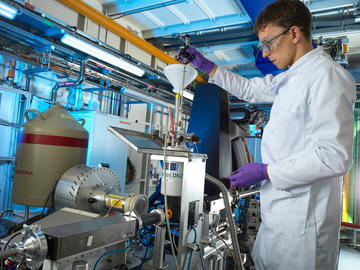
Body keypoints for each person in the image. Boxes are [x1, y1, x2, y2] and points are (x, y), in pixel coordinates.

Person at [178, 0, 356, 269]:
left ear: (294, 34)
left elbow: (334, 158)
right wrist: (207, 67)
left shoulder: (327, 76)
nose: (265, 53)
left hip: (305, 229)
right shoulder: (292, 76)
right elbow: (249, 89)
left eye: (268, 43)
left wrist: (266, 171)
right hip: (280, 217)